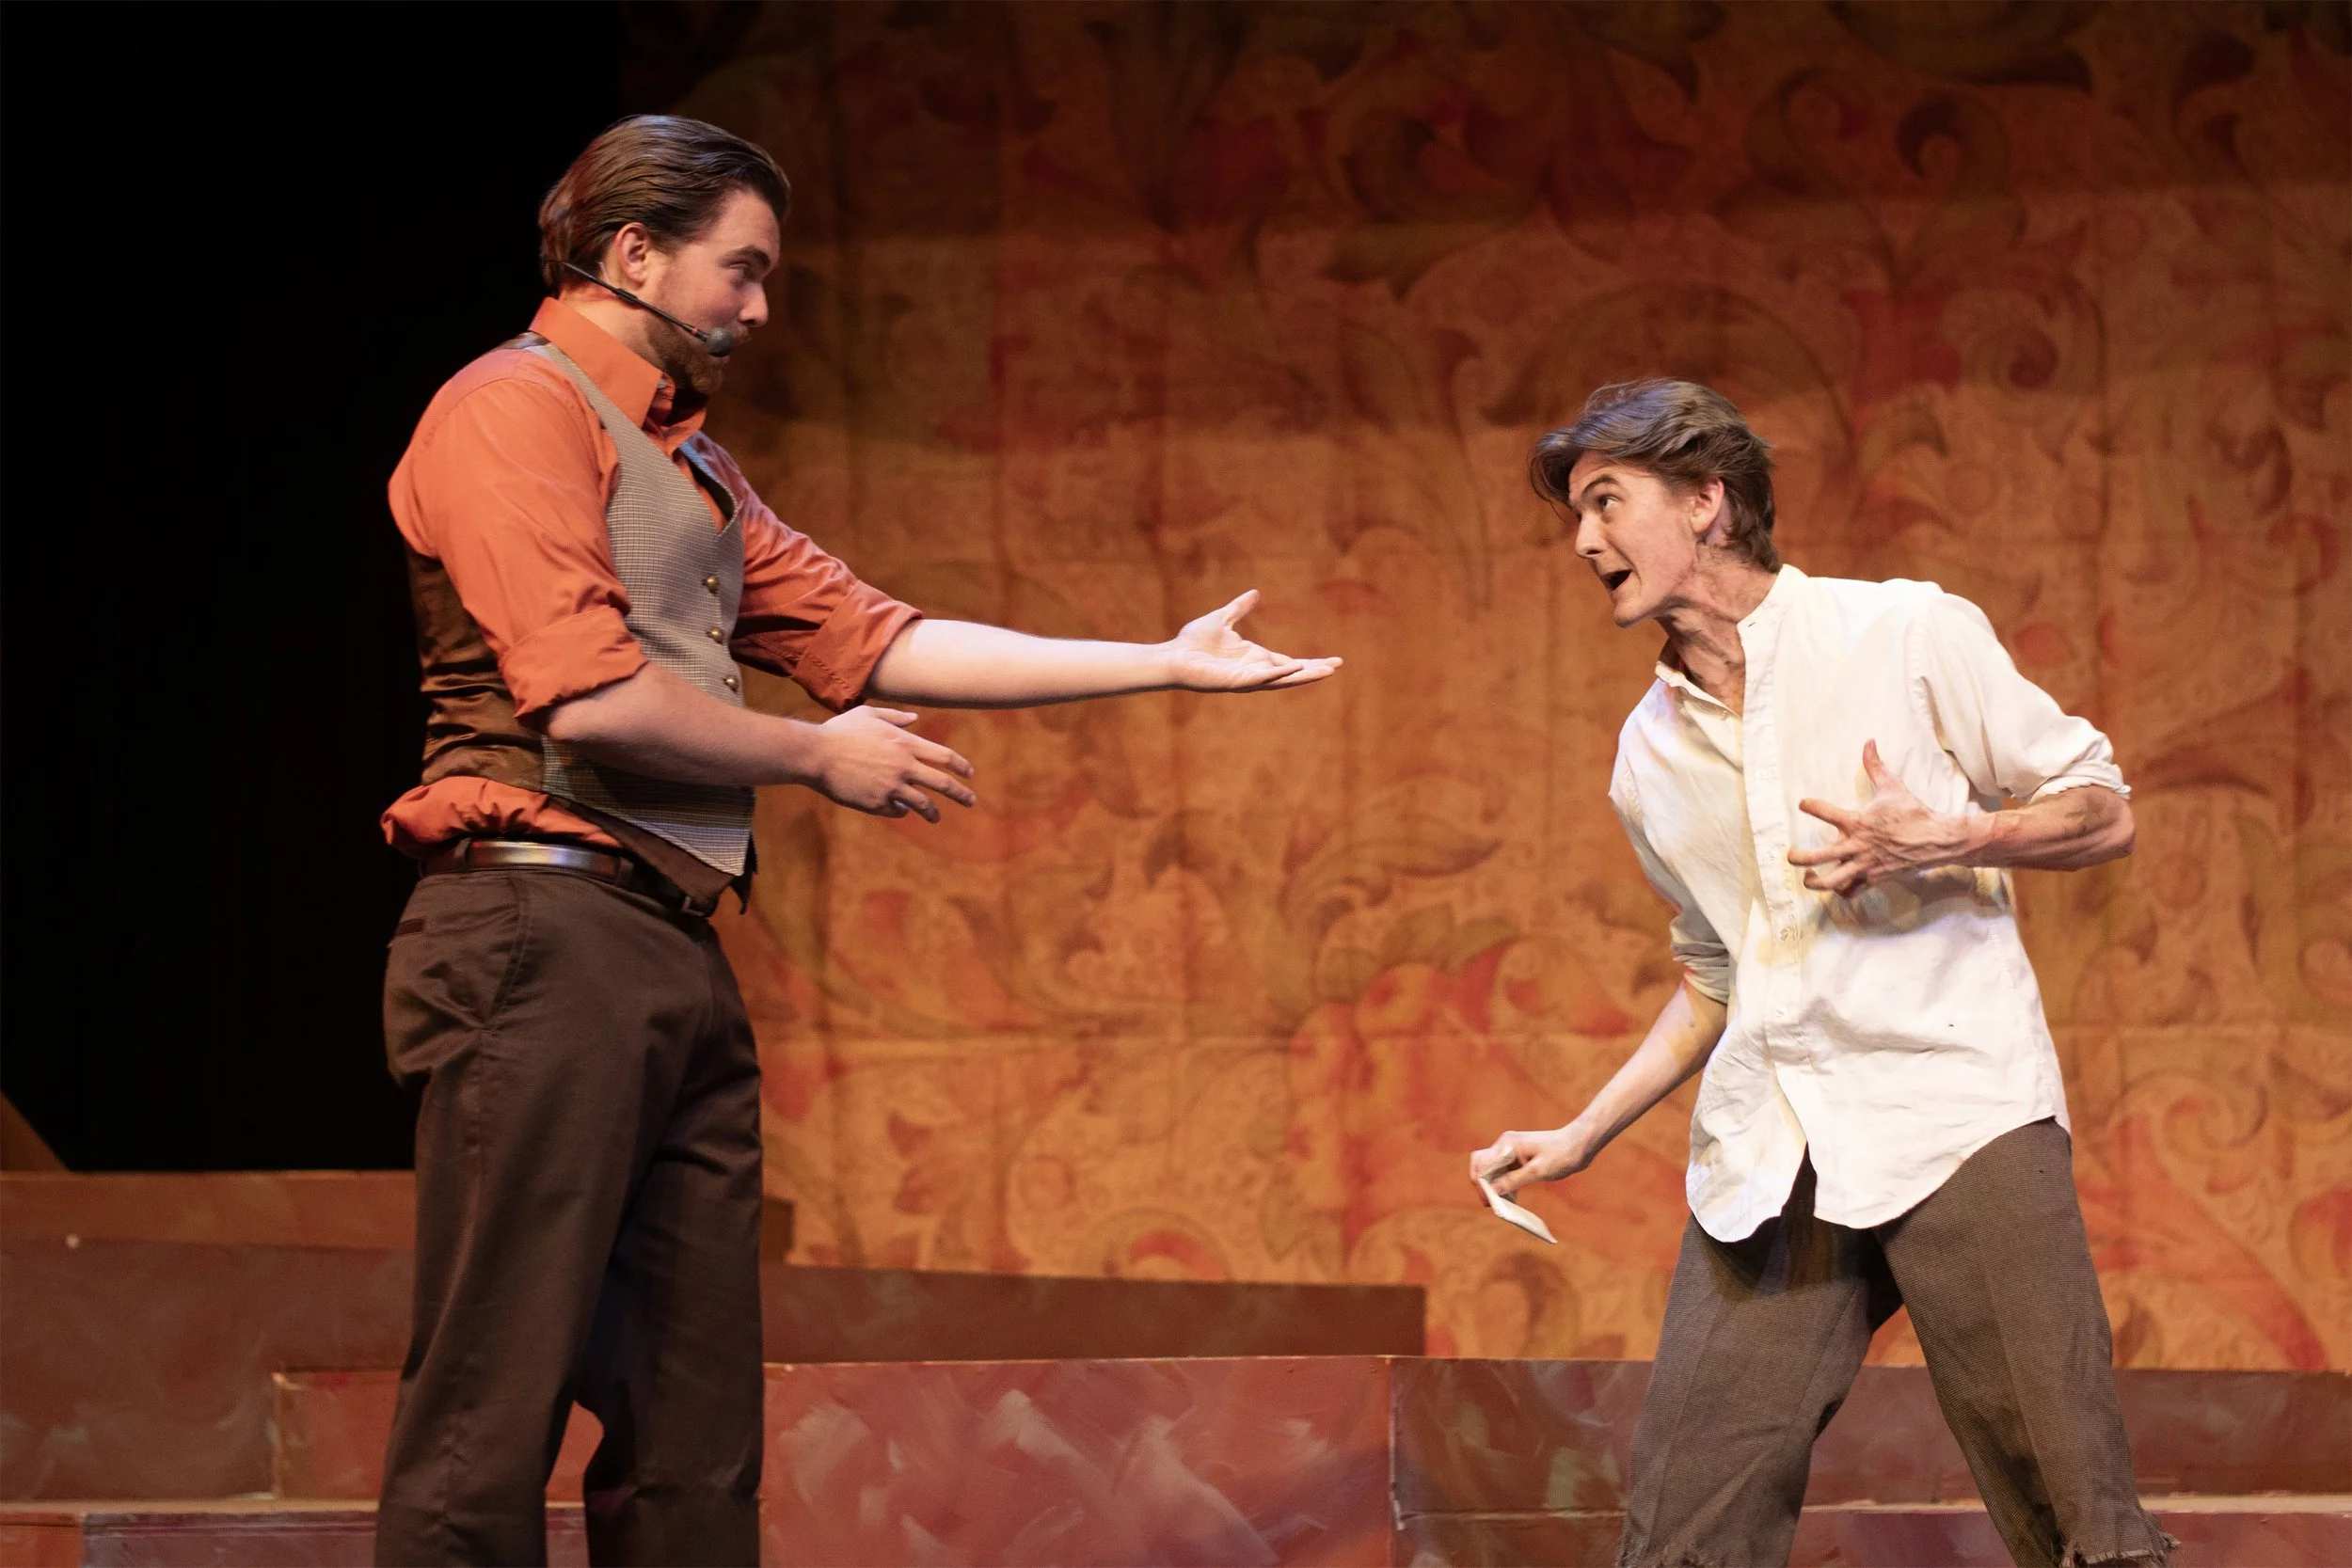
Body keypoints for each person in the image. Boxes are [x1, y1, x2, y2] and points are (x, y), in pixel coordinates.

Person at [374, 115, 1339, 1568]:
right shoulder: (511, 409)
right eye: (740, 269)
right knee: (486, 1406)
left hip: (669, 948)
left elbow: (881, 636)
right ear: (632, 252)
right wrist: (815, 756)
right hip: (535, 932)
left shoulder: (695, 473)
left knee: (698, 1436)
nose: (759, 309)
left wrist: (1160, 658)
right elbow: (586, 694)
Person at [1472, 380, 2170, 1568]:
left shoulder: (1902, 632)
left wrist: (1950, 835)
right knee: (1684, 1524)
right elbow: (1716, 971)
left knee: (2070, 1505)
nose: (1582, 540)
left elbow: (2102, 812)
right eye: (1573, 516)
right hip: (1772, 1147)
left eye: (1605, 501)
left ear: (1706, 501)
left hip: (1956, 1111)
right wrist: (1585, 1129)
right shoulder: (1645, 753)